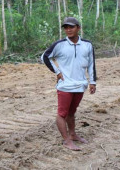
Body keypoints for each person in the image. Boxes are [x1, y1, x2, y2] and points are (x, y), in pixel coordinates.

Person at [41, 17, 96, 151]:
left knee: (72, 111)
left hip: (80, 84)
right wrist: (57, 72)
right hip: (65, 86)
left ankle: (72, 135)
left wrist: (92, 82)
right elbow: (44, 57)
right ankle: (66, 141)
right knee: (62, 113)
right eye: (66, 27)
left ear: (78, 28)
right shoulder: (59, 45)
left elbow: (91, 64)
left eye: (71, 27)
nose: (68, 30)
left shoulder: (87, 45)